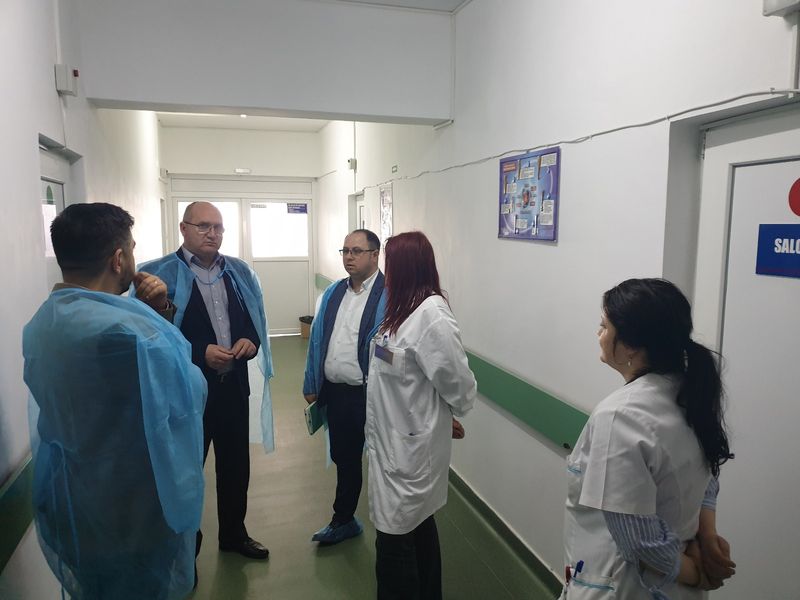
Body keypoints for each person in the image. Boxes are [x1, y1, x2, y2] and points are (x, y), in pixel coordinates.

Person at [23, 202, 206, 599]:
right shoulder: (128, 331)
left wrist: (150, 313)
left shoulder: (42, 323)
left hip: (70, 501)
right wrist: (155, 316)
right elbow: (188, 393)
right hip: (129, 511)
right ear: (119, 259)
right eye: (133, 248)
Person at [562, 278, 736, 599]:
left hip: (627, 585)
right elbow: (708, 472)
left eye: (604, 326)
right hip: (675, 580)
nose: (599, 334)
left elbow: (638, 542)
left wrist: (700, 574)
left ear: (630, 346)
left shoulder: (619, 416)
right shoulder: (690, 393)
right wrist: (708, 537)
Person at [139, 201, 274, 560]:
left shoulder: (238, 272)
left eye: (218, 227)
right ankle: (186, 549)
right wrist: (200, 353)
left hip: (232, 389)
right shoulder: (156, 275)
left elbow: (254, 320)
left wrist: (250, 342)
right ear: (183, 228)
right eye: (203, 226)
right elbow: (150, 336)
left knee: (235, 467)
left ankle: (234, 534)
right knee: (186, 472)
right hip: (185, 395)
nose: (212, 234)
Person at [366, 231, 476, 600]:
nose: (386, 274)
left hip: (409, 453)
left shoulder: (431, 315)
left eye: (390, 264)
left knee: (395, 546)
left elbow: (458, 384)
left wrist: (446, 414)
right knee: (417, 532)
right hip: (394, 445)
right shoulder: (402, 311)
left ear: (407, 268)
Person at [303, 229, 386, 544]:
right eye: (345, 251)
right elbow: (317, 339)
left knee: (384, 459)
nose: (349, 257)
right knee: (345, 458)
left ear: (375, 255)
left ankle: (391, 525)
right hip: (338, 393)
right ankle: (344, 519)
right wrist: (312, 381)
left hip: (374, 396)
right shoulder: (335, 292)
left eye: (357, 251)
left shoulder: (389, 295)